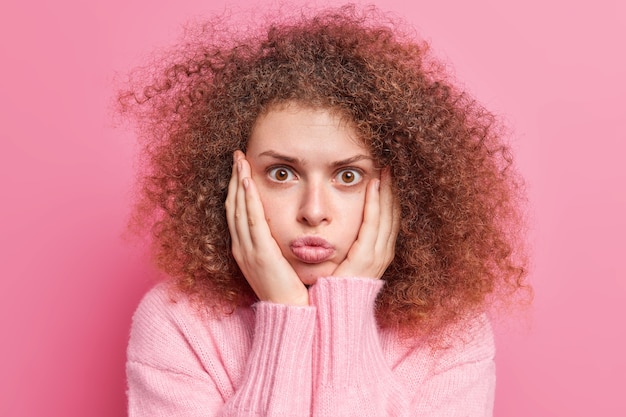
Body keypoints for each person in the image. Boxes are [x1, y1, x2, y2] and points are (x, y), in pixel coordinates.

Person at [121, 4, 529, 416]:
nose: (314, 211)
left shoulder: (449, 334)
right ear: (230, 179)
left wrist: (346, 310)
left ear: (404, 189)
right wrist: (284, 312)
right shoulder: (178, 323)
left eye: (347, 176)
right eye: (282, 173)